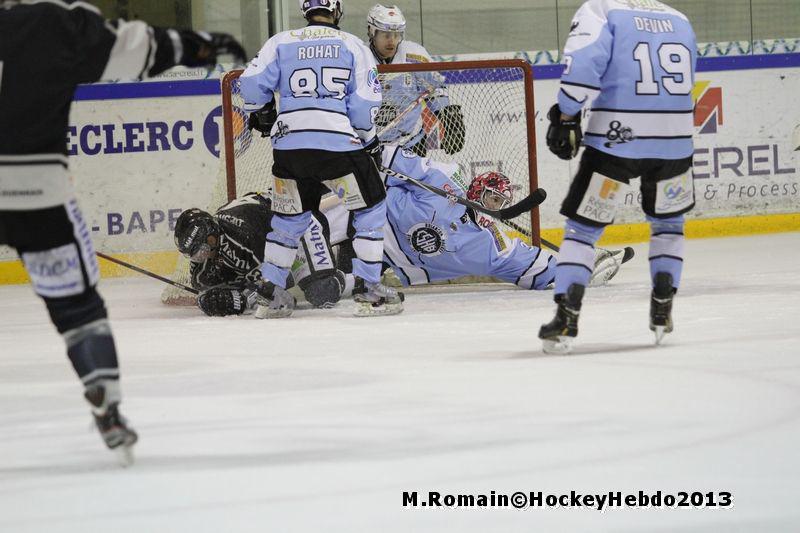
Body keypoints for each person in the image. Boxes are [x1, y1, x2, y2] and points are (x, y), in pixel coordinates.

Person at [0, 0, 246, 462]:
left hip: (35, 185)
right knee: (78, 308)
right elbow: (134, 49)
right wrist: (199, 46)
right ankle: (106, 402)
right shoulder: (50, 22)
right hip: (36, 190)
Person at [538, 0, 697, 353]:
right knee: (669, 226)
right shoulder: (679, 18)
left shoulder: (602, 9)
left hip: (616, 141)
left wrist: (566, 115)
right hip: (674, 143)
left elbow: (582, 66)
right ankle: (663, 307)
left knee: (582, 231)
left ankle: (566, 316)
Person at [240, 0, 403, 318]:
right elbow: (364, 104)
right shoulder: (353, 45)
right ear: (336, 11)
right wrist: (369, 141)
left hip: (289, 147)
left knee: (289, 219)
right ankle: (369, 288)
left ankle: (270, 292)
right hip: (336, 145)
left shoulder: (281, 41)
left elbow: (250, 82)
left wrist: (262, 110)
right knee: (370, 206)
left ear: (306, 11)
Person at [327, 146, 630, 291]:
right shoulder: (443, 180)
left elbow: (534, 266)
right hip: (366, 221)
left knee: (348, 280)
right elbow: (389, 161)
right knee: (346, 206)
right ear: (476, 189)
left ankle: (331, 281)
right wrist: (368, 152)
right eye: (492, 198)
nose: (494, 206)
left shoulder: (491, 244)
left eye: (500, 203)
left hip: (388, 262)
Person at [173, 192, 344, 317]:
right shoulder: (208, 259)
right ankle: (330, 260)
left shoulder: (242, 234)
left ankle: (354, 278)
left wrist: (243, 299)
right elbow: (207, 289)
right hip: (279, 241)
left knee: (322, 292)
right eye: (195, 255)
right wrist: (208, 300)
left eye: (203, 249)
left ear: (211, 235)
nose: (202, 257)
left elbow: (281, 297)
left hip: (298, 223)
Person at [366, 4, 465, 157]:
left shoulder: (414, 55)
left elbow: (435, 89)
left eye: (397, 35)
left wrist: (447, 116)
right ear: (371, 32)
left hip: (410, 143)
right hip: (371, 146)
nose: (392, 41)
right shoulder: (361, 56)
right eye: (386, 35)